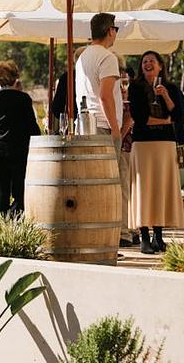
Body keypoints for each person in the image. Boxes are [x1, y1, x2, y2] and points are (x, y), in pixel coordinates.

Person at [128, 51, 184, 253]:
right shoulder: (135, 88)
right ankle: (144, 237)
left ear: (160, 65)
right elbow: (140, 118)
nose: (147, 63)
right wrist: (165, 120)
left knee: (161, 189)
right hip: (143, 144)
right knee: (144, 190)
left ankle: (158, 238)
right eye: (144, 61)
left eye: (152, 61)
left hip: (165, 144)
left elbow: (179, 114)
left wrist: (166, 96)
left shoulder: (171, 87)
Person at [0, 61, 40, 214]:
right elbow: (32, 126)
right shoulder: (23, 99)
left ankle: (2, 223)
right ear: (16, 78)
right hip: (18, 148)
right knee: (20, 192)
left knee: (0, 194)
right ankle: (16, 220)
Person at [75, 13, 122, 155]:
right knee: (109, 169)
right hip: (103, 126)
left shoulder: (82, 57)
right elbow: (105, 96)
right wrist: (115, 128)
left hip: (84, 125)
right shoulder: (108, 57)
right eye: (116, 29)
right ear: (110, 31)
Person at [119, 64, 139, 247]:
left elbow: (129, 120)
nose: (123, 87)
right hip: (133, 147)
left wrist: (117, 140)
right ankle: (133, 230)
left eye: (125, 82)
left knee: (125, 189)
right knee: (131, 190)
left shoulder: (127, 102)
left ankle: (125, 231)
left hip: (126, 147)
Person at [51, 46, 87, 130]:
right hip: (87, 123)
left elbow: (56, 108)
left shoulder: (66, 77)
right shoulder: (91, 77)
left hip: (71, 125)